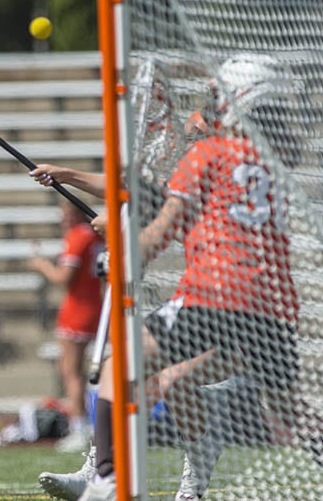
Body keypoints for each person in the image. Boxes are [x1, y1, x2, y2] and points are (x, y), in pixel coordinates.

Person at [71, 56, 313, 501]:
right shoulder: (277, 163)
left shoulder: (208, 155)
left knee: (120, 364)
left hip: (214, 295)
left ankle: (104, 477)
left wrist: (122, 254)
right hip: (274, 309)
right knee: (292, 413)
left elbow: (162, 233)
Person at [28, 199, 104, 453]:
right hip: (95, 304)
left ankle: (79, 426)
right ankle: (85, 424)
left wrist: (42, 265)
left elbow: (63, 278)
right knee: (79, 371)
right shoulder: (94, 235)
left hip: (77, 309)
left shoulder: (78, 236)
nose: (62, 219)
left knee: (71, 371)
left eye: (65, 214)